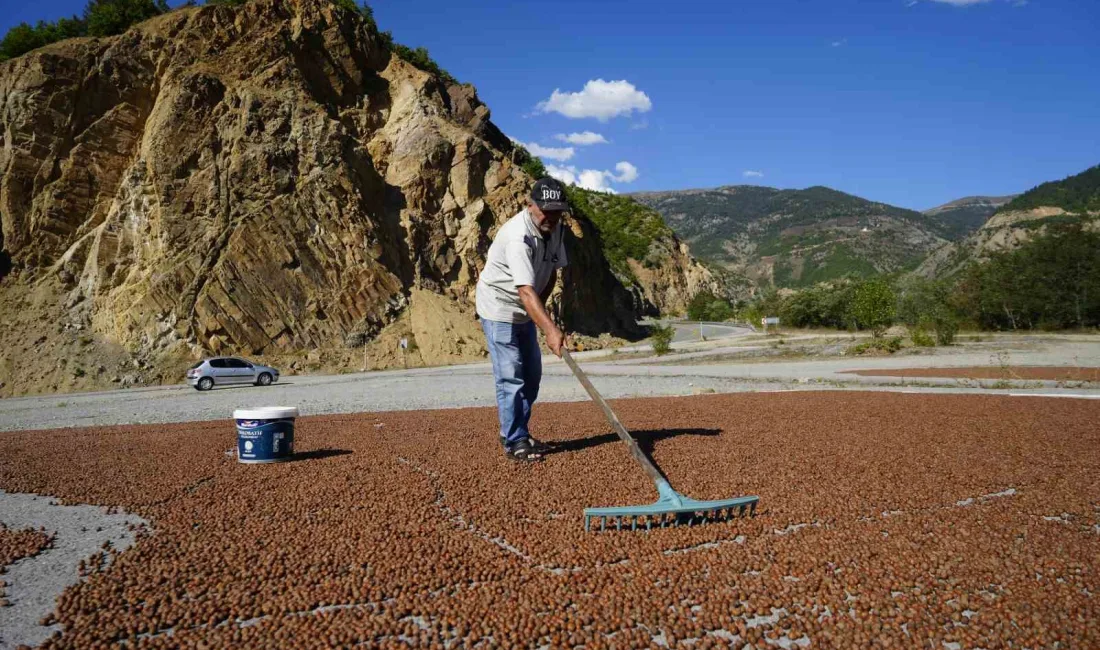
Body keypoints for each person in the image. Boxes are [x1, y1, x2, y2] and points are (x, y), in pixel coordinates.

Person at [475, 177, 571, 462]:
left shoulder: (556, 230)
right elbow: (525, 290)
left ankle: (517, 431)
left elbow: (551, 272)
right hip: (499, 308)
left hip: (526, 309)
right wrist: (550, 330)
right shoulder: (518, 236)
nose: (551, 217)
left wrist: (544, 316)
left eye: (557, 212)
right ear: (530, 205)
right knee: (510, 375)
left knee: (531, 376)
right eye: (545, 211)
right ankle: (515, 440)